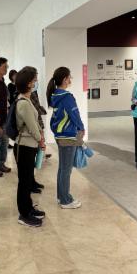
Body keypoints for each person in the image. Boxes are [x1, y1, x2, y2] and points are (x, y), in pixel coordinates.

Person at [13, 67, 47, 227]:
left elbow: (34, 123)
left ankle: (28, 208)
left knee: (27, 180)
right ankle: (24, 214)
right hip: (24, 146)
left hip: (29, 145)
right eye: (34, 80)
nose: (36, 82)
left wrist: (40, 136)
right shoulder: (23, 103)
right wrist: (41, 140)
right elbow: (32, 126)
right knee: (24, 181)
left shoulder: (26, 100)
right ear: (28, 83)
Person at [47, 67, 85, 210]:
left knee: (62, 168)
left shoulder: (55, 94)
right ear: (64, 79)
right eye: (69, 77)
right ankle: (65, 200)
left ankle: (61, 196)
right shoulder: (67, 96)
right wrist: (81, 127)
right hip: (68, 136)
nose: (70, 80)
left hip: (60, 135)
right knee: (66, 169)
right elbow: (74, 114)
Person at [29, 89, 48, 191]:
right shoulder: (27, 98)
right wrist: (41, 140)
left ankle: (32, 181)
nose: (34, 82)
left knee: (35, 156)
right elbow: (37, 111)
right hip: (33, 133)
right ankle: (31, 184)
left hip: (38, 127)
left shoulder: (33, 93)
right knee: (31, 160)